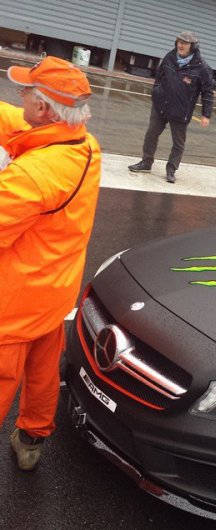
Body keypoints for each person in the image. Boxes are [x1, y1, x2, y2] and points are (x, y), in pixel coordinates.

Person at [0, 57, 101, 471]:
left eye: (25, 91)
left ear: (42, 107)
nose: (19, 95)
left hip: (13, 302)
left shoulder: (31, 176)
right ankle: (31, 440)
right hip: (55, 290)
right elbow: (15, 121)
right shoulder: (84, 145)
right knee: (43, 370)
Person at [128, 31, 213, 183]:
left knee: (178, 143)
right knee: (151, 134)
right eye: (179, 42)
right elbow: (159, 77)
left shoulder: (202, 67)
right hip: (161, 104)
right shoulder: (169, 57)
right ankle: (146, 162)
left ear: (193, 46)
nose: (181, 45)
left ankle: (171, 169)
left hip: (181, 110)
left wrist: (206, 114)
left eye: (185, 43)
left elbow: (207, 92)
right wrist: (156, 91)